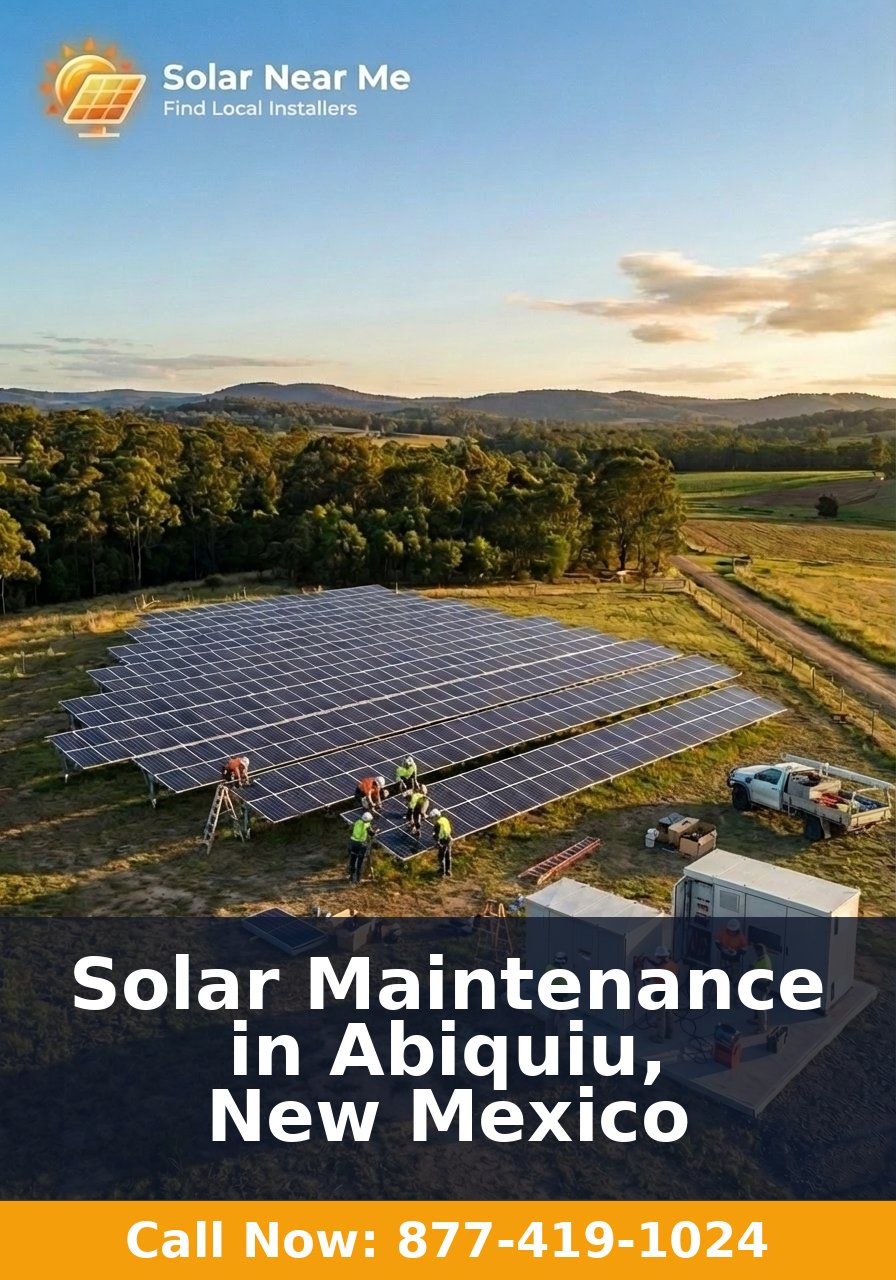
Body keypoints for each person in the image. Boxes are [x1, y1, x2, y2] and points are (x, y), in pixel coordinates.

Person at [647, 945, 679, 1043]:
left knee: (661, 1017)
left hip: (661, 994)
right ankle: (669, 1033)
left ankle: (660, 1037)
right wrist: (650, 962)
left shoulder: (659, 970)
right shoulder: (673, 965)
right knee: (669, 1014)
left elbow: (649, 978)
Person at [750, 943, 774, 1033]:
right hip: (761, 985)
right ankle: (757, 1020)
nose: (755, 953)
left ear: (759, 951)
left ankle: (762, 1028)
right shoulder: (765, 958)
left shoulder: (763, 961)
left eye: (756, 951)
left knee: (761, 1008)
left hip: (761, 986)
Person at [347, 812, 374, 884]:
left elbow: (351, 830)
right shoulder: (367, 825)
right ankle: (358, 879)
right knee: (360, 862)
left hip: (352, 843)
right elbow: (371, 833)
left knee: (352, 860)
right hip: (361, 844)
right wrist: (375, 832)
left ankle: (351, 877)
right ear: (368, 820)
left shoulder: (357, 822)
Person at [430, 809, 453, 877]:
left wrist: (437, 843)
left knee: (441, 856)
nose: (432, 819)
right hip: (449, 839)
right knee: (448, 856)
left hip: (443, 841)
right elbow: (449, 828)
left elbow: (436, 835)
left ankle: (442, 872)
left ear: (436, 816)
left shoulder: (437, 824)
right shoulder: (444, 819)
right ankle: (448, 871)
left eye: (432, 818)